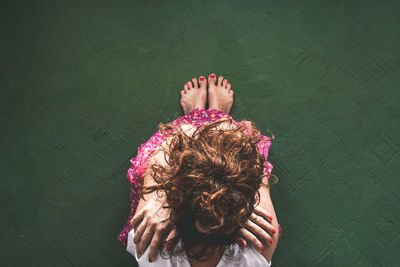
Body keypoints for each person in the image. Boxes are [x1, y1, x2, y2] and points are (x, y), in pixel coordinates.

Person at [118, 74, 282, 266]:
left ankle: (197, 115)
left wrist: (158, 198)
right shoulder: (260, 245)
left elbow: (164, 149)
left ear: (174, 217)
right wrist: (235, 209)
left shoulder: (148, 244)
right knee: (236, 150)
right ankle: (216, 114)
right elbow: (256, 164)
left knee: (182, 146)